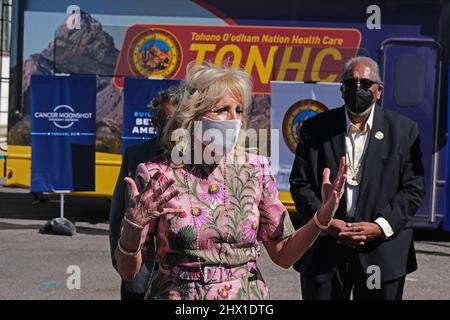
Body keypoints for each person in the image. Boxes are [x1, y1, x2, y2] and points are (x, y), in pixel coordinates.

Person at [113, 61, 347, 300]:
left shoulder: (256, 170)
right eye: (222, 109)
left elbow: (283, 254)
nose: (233, 119)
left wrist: (320, 219)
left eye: (239, 110)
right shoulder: (156, 175)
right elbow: (129, 272)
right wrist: (132, 226)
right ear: (194, 115)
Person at [289, 56, 425, 300]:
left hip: (382, 253)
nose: (358, 89)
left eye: (365, 83)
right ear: (342, 89)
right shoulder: (315, 128)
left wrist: (379, 227)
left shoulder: (404, 131)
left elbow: (413, 189)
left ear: (379, 91)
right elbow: (300, 184)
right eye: (351, 83)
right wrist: (325, 222)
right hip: (324, 252)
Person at [109, 86, 178, 300]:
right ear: (155, 124)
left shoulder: (199, 160)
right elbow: (117, 216)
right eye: (168, 121)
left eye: (180, 122)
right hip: (140, 278)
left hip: (181, 280)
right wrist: (125, 264)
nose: (174, 129)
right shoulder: (136, 156)